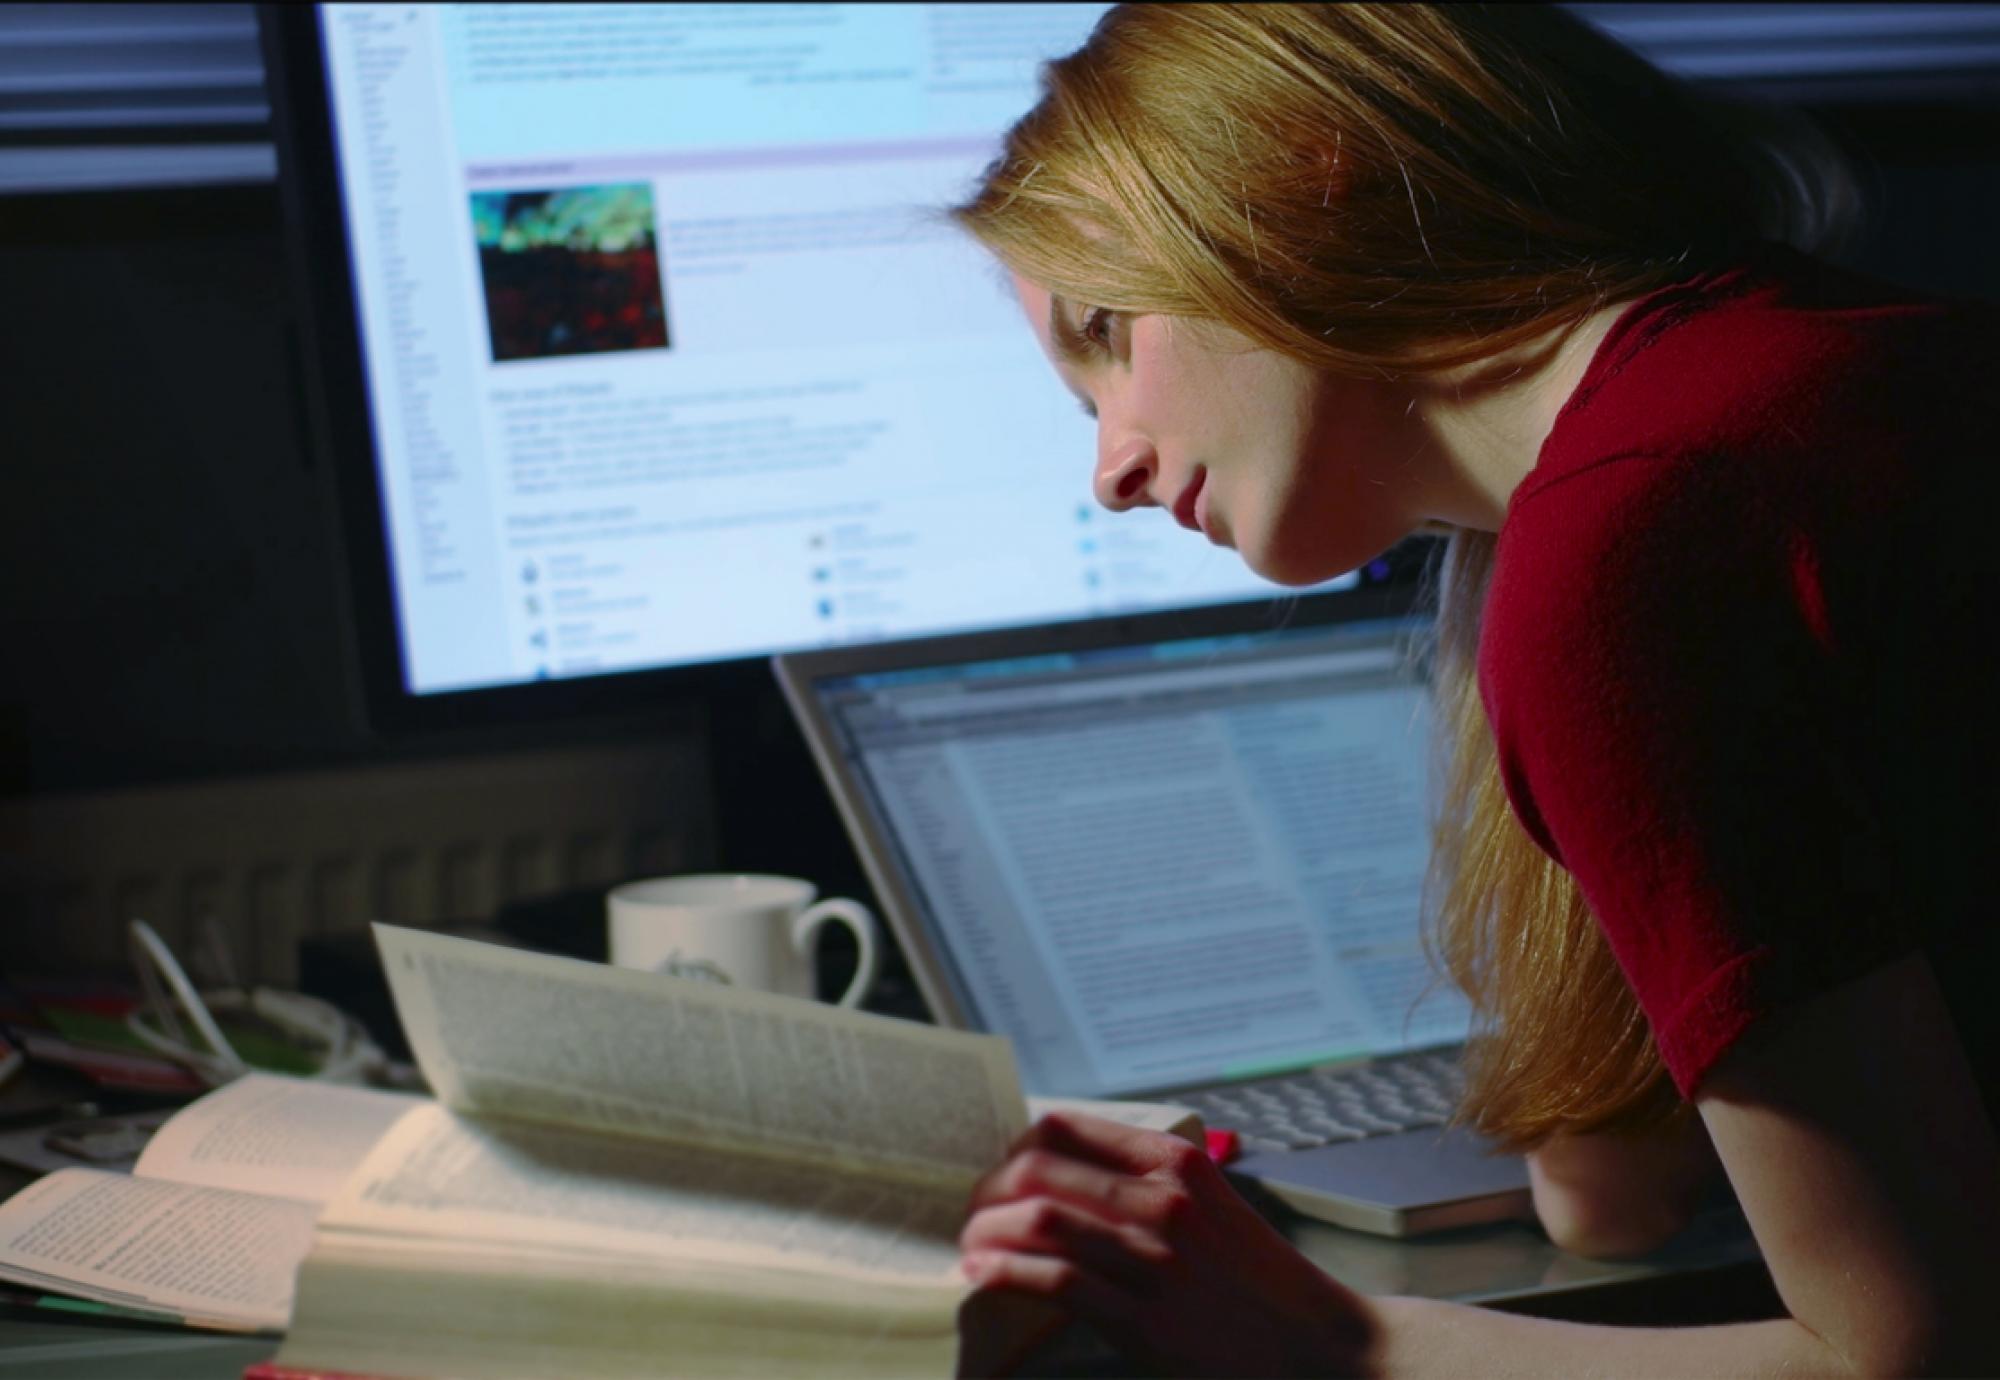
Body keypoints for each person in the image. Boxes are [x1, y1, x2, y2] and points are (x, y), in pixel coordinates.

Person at [947, 4, 2000, 1374]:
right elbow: (1606, 1204)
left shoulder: (1643, 549)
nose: (1114, 468)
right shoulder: (1816, 365)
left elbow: (1917, 1354)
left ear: (1297, 180)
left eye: (1108, 334)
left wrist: (1325, 1337)